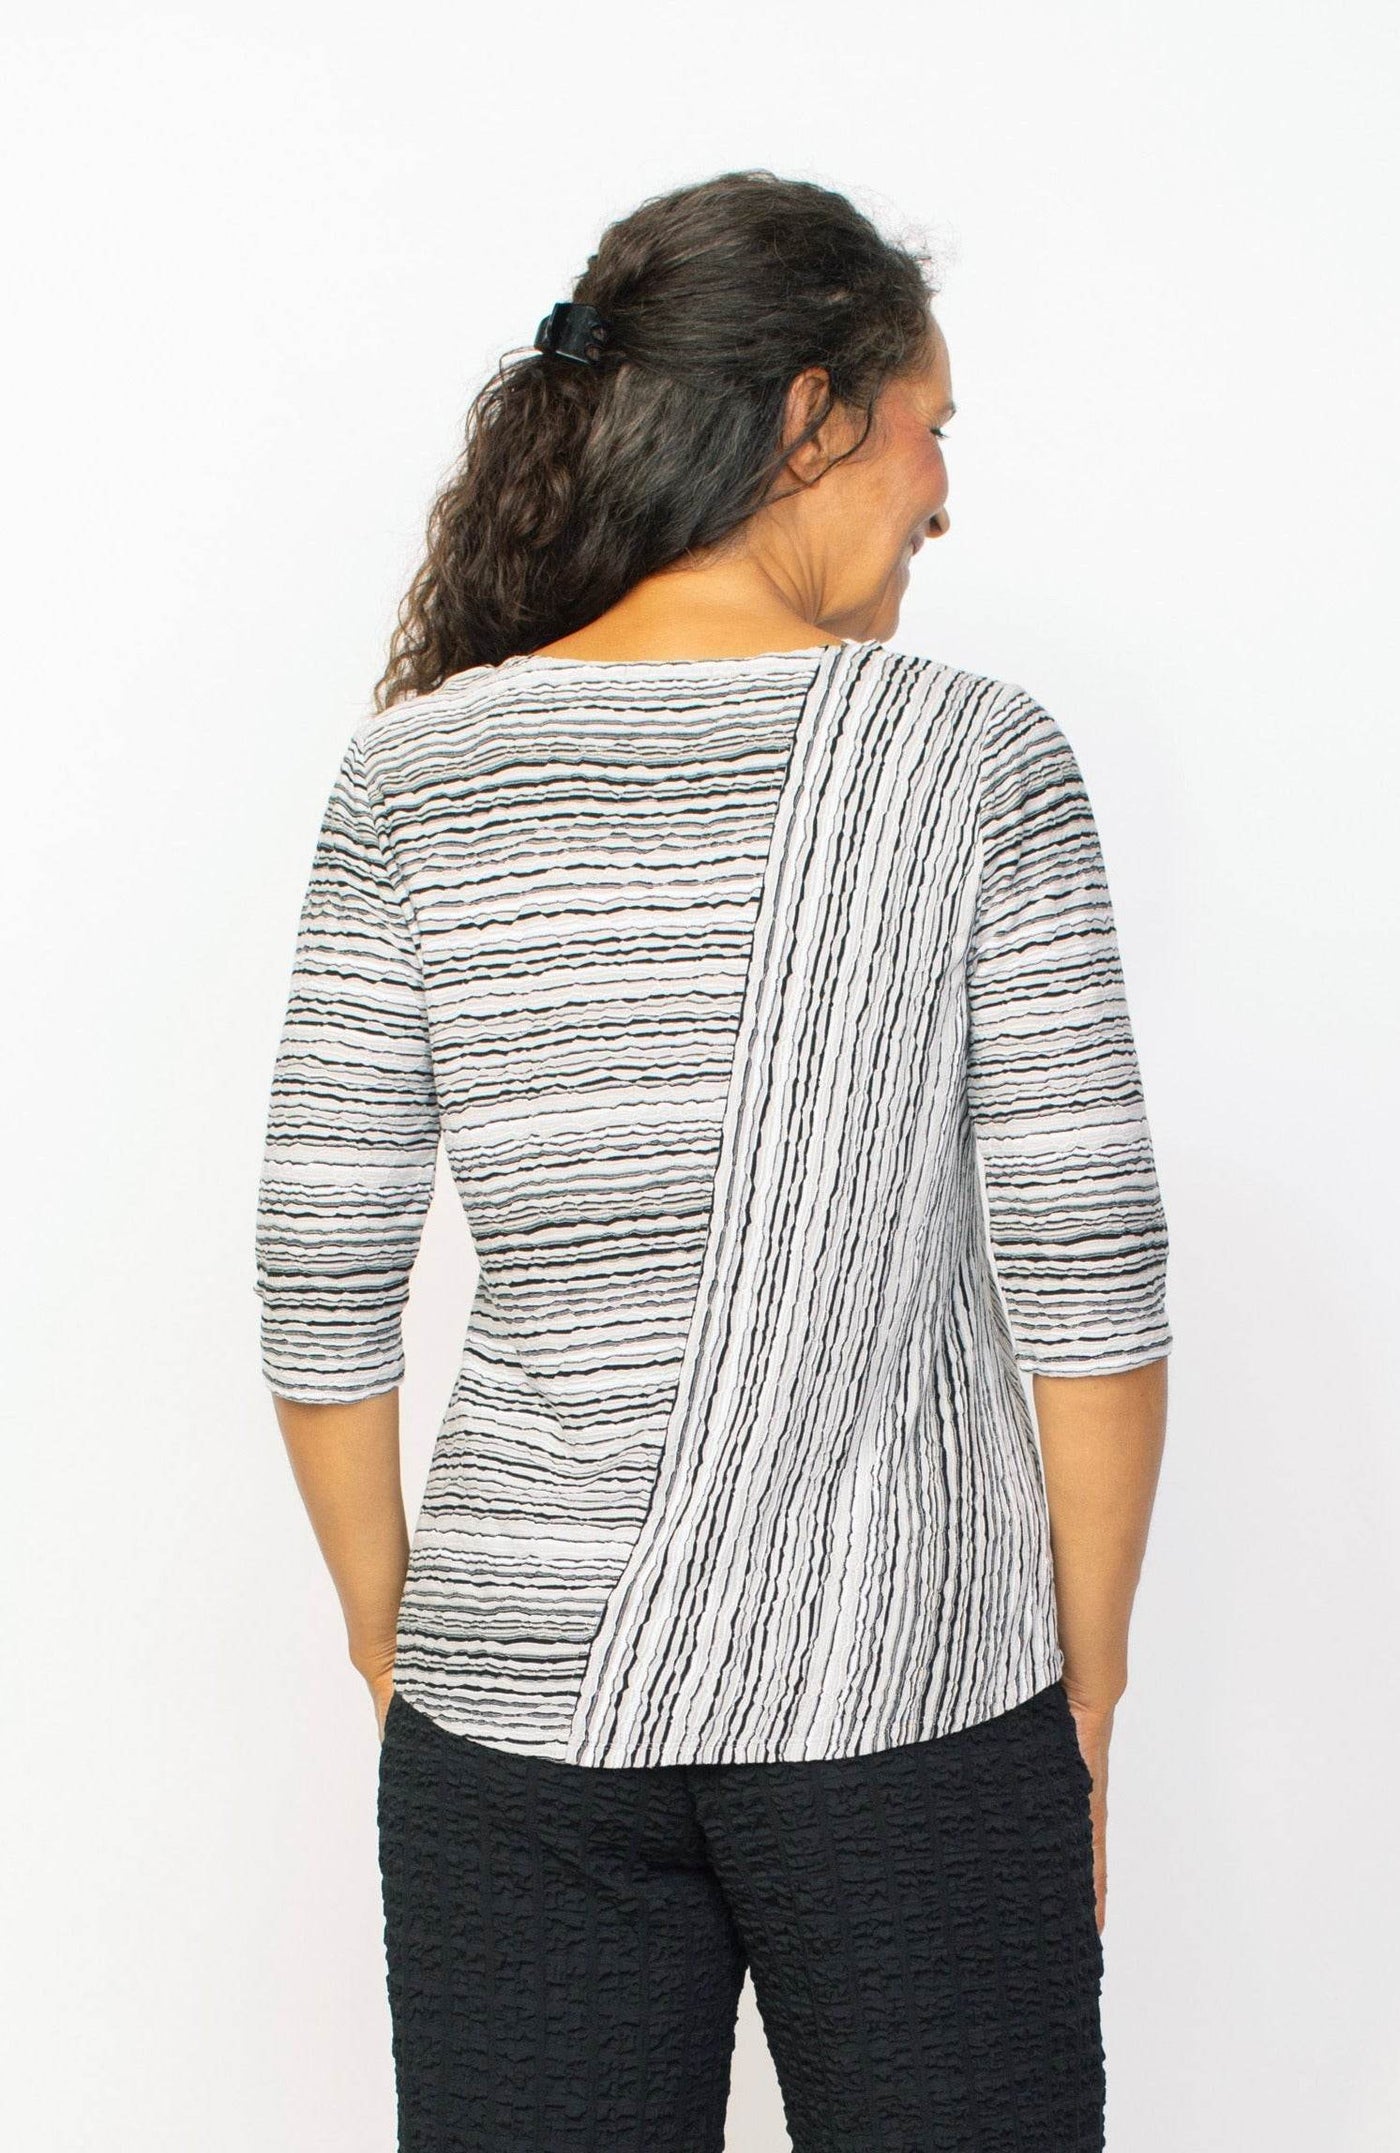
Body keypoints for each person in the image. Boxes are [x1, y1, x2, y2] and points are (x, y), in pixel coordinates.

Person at [254, 168, 1171, 2153]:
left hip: (517, 1712)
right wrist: (1084, 1692)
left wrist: (408, 1639)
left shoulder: (413, 775)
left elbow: (319, 1280)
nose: (942, 493)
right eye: (928, 429)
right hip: (915, 1697)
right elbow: (1089, 1273)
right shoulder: (973, 760)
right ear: (809, 416)